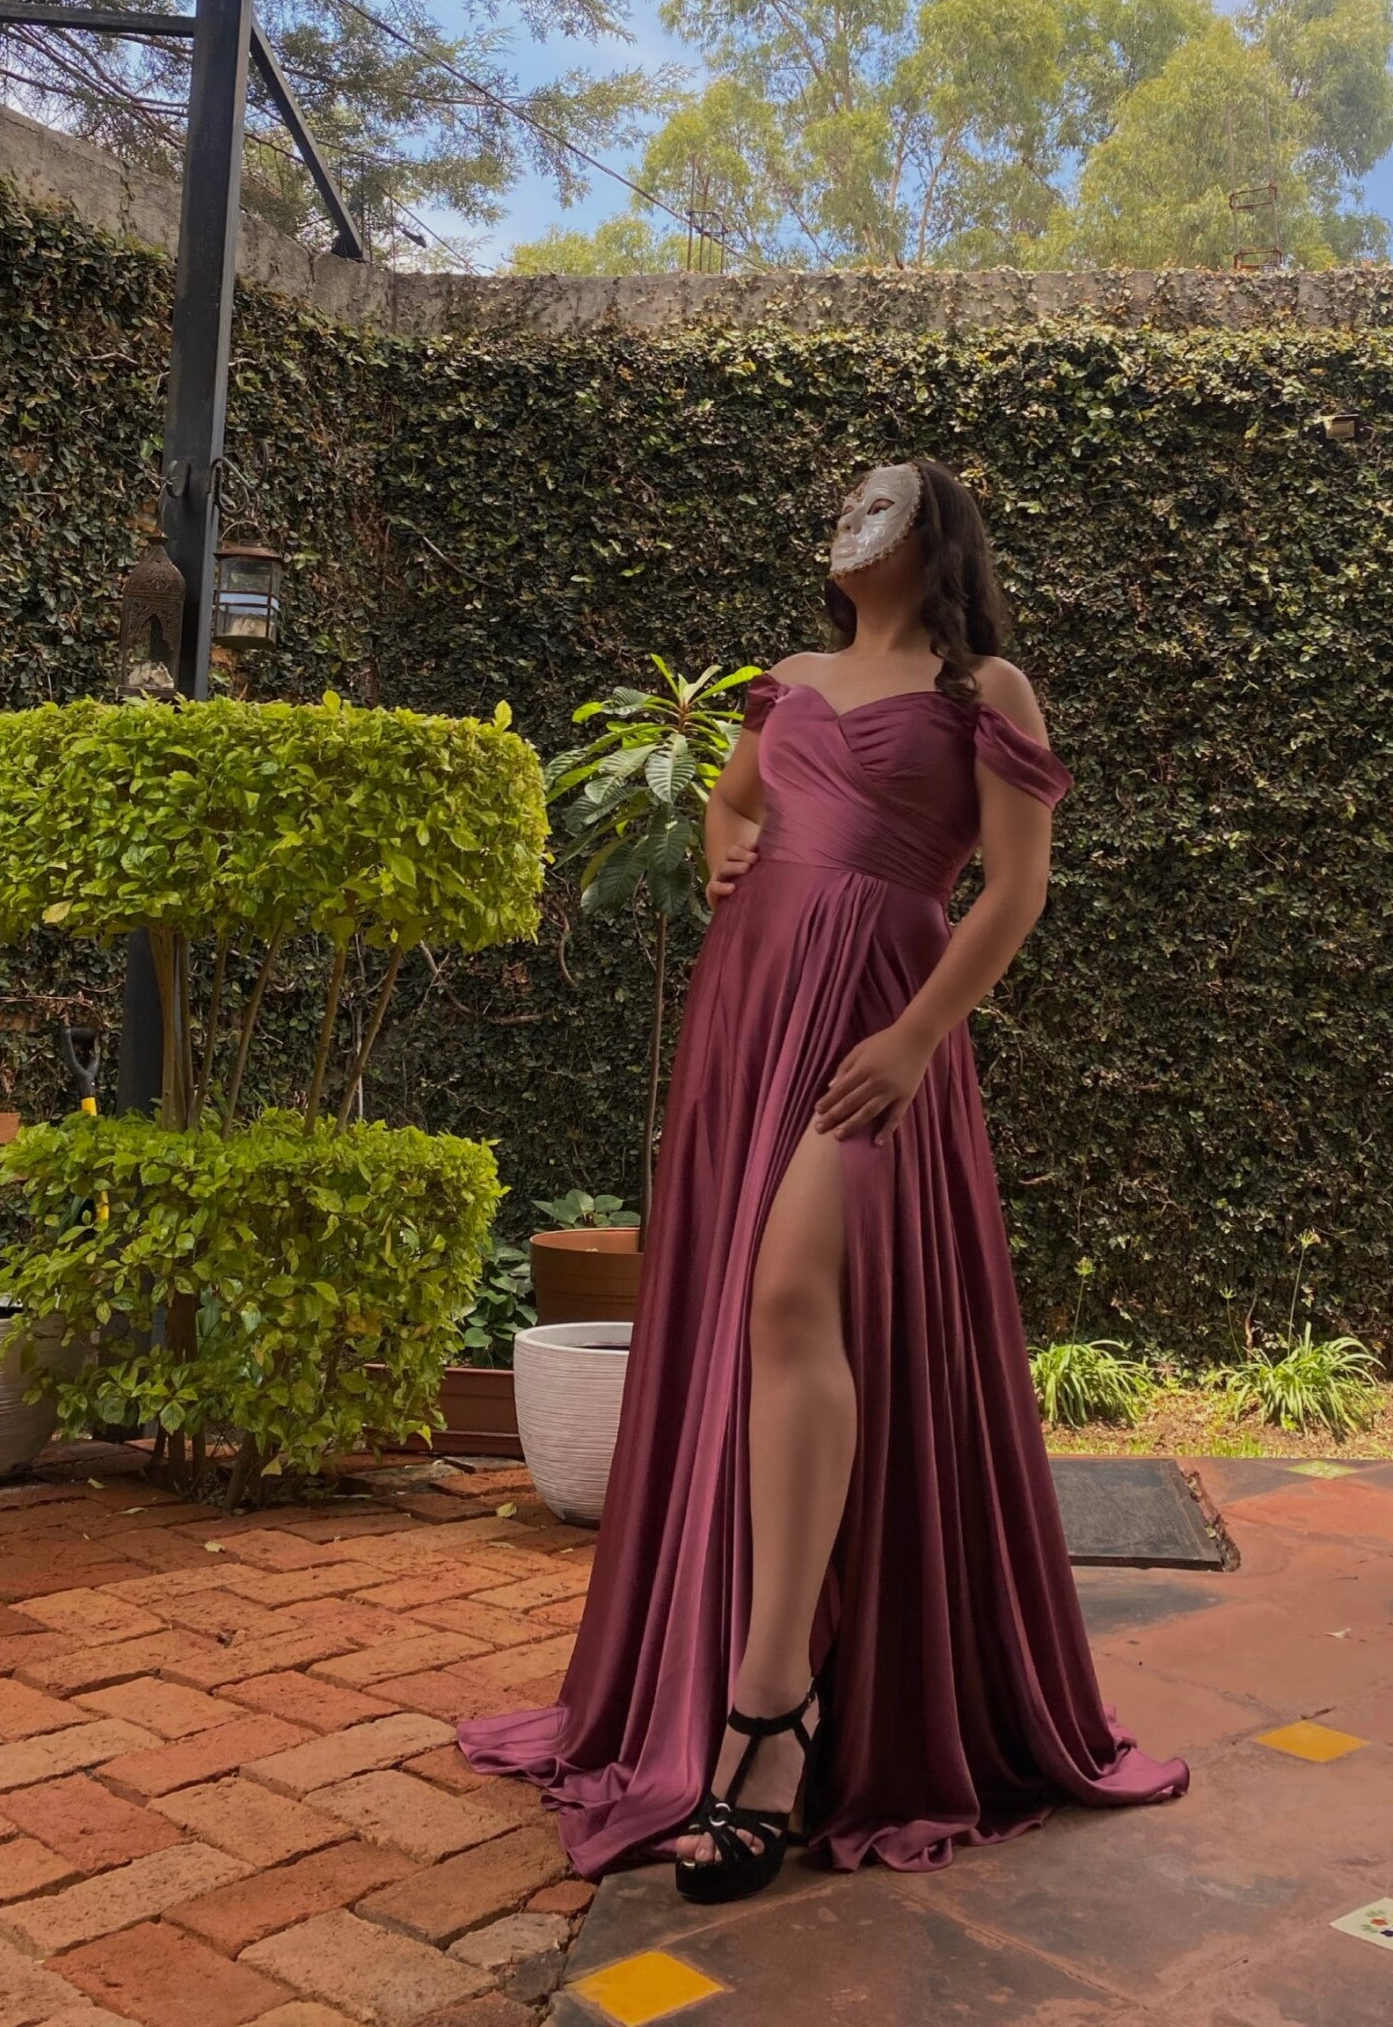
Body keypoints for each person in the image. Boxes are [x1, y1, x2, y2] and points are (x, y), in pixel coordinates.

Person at [458, 456, 1187, 1901]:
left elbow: (1017, 891)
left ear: (937, 538)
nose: (849, 521)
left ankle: (770, 1703)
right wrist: (727, 853)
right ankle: (767, 1696)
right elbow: (733, 806)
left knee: (793, 1296)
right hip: (751, 1014)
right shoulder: (785, 682)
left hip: (877, 1022)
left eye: (880, 505)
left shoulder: (989, 692)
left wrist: (916, 1040)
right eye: (843, 505)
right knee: (760, 1315)